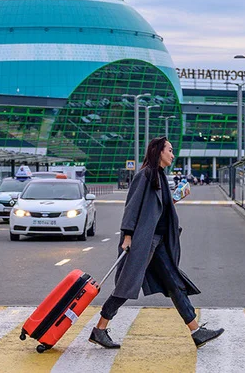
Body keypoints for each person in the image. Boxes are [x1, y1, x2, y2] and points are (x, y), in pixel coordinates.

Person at [89, 137, 224, 349]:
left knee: (174, 283)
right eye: (169, 150)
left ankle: (196, 331)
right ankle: (100, 328)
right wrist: (127, 236)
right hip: (144, 241)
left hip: (157, 242)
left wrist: (177, 198)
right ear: (159, 151)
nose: (172, 154)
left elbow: (158, 206)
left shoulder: (159, 176)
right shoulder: (145, 175)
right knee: (127, 285)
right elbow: (131, 206)